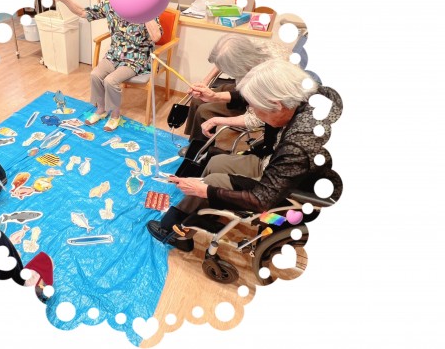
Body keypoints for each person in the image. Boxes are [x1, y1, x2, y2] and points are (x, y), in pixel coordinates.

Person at [147, 59, 343, 252]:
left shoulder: (299, 142)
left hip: (284, 190)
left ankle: (175, 233)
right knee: (217, 161)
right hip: (275, 161)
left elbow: (262, 199)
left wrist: (206, 191)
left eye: (256, 109)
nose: (254, 114)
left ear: (276, 105)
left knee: (212, 182)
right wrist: (214, 96)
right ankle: (200, 211)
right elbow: (250, 102)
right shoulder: (306, 94)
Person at [50, 0, 162, 132]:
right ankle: (101, 109)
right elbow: (82, 12)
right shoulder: (110, 5)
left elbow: (156, 37)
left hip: (135, 58)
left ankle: (115, 115)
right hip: (114, 54)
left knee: (110, 80)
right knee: (95, 75)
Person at [179, 34, 289, 156]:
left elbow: (255, 119)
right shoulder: (250, 46)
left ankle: (200, 150)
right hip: (244, 89)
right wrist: (205, 83)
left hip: (261, 102)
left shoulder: (270, 75)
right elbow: (223, 58)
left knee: (204, 111)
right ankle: (194, 141)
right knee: (198, 99)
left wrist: (216, 120)